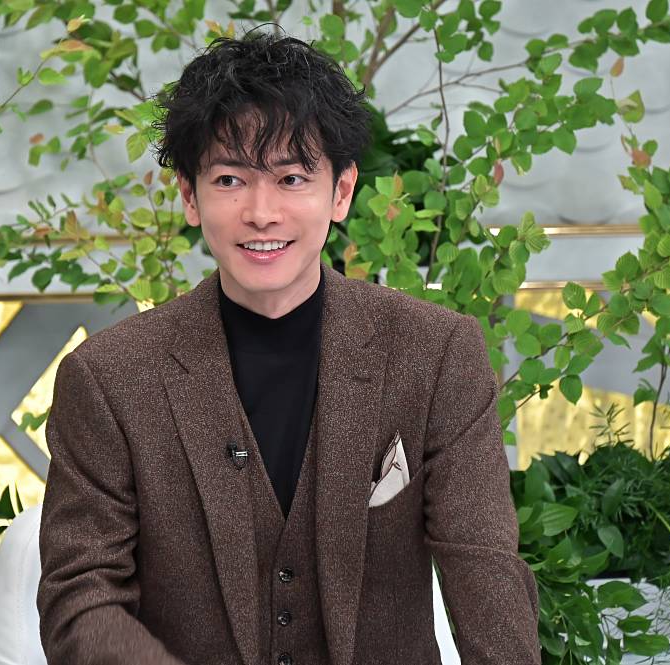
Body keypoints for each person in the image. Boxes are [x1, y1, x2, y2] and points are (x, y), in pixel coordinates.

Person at [36, 27, 540, 665]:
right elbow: (80, 601)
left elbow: (485, 571)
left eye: (292, 177)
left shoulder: (437, 353)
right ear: (189, 195)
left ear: (341, 192)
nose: (261, 212)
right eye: (229, 180)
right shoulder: (108, 377)